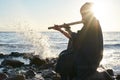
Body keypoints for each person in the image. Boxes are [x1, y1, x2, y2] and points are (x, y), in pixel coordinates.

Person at [52, 2, 103, 80]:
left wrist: (68, 29)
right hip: (88, 57)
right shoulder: (89, 24)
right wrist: (60, 30)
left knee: (63, 57)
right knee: (65, 51)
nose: (82, 16)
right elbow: (73, 38)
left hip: (89, 60)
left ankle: (67, 76)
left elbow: (77, 38)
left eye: (83, 14)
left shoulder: (93, 23)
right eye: (81, 14)